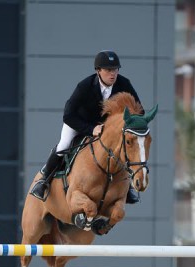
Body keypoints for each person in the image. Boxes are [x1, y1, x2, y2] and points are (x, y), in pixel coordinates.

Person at [29, 50, 143, 203]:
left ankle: (127, 188)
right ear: (98, 71)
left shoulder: (124, 84)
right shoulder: (85, 86)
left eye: (115, 69)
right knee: (64, 145)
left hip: (105, 128)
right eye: (109, 70)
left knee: (121, 148)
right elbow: (68, 115)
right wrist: (90, 129)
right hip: (79, 122)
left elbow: (139, 110)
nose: (113, 74)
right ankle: (43, 182)